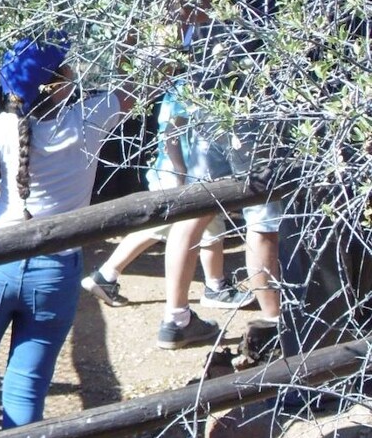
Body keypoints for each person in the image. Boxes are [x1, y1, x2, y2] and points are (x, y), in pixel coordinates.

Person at [0, 34, 132, 438]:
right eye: (66, 68)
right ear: (55, 84)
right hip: (55, 272)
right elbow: (140, 84)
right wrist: (132, 37)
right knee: (26, 390)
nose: (74, 72)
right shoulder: (90, 119)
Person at [155, 22, 285, 351]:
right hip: (248, 108)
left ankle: (176, 317)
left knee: (196, 212)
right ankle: (274, 323)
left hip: (206, 107)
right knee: (262, 215)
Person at [81, 85, 254, 309]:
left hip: (175, 173)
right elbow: (172, 132)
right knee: (189, 227)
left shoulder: (182, 84)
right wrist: (180, 170)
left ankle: (107, 275)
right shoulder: (189, 87)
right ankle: (215, 287)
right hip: (178, 175)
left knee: (194, 227)